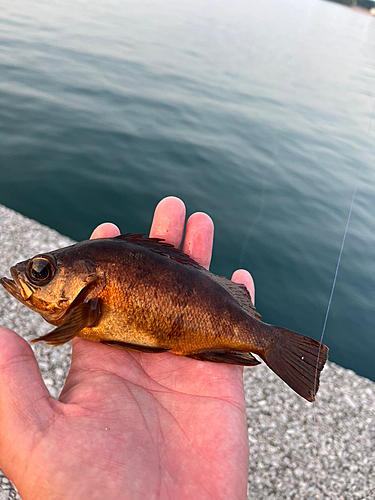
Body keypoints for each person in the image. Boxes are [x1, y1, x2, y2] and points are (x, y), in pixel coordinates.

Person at [0, 196, 255, 500]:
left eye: (42, 272)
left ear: (85, 276)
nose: (29, 275)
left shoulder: (86, 302)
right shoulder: (87, 295)